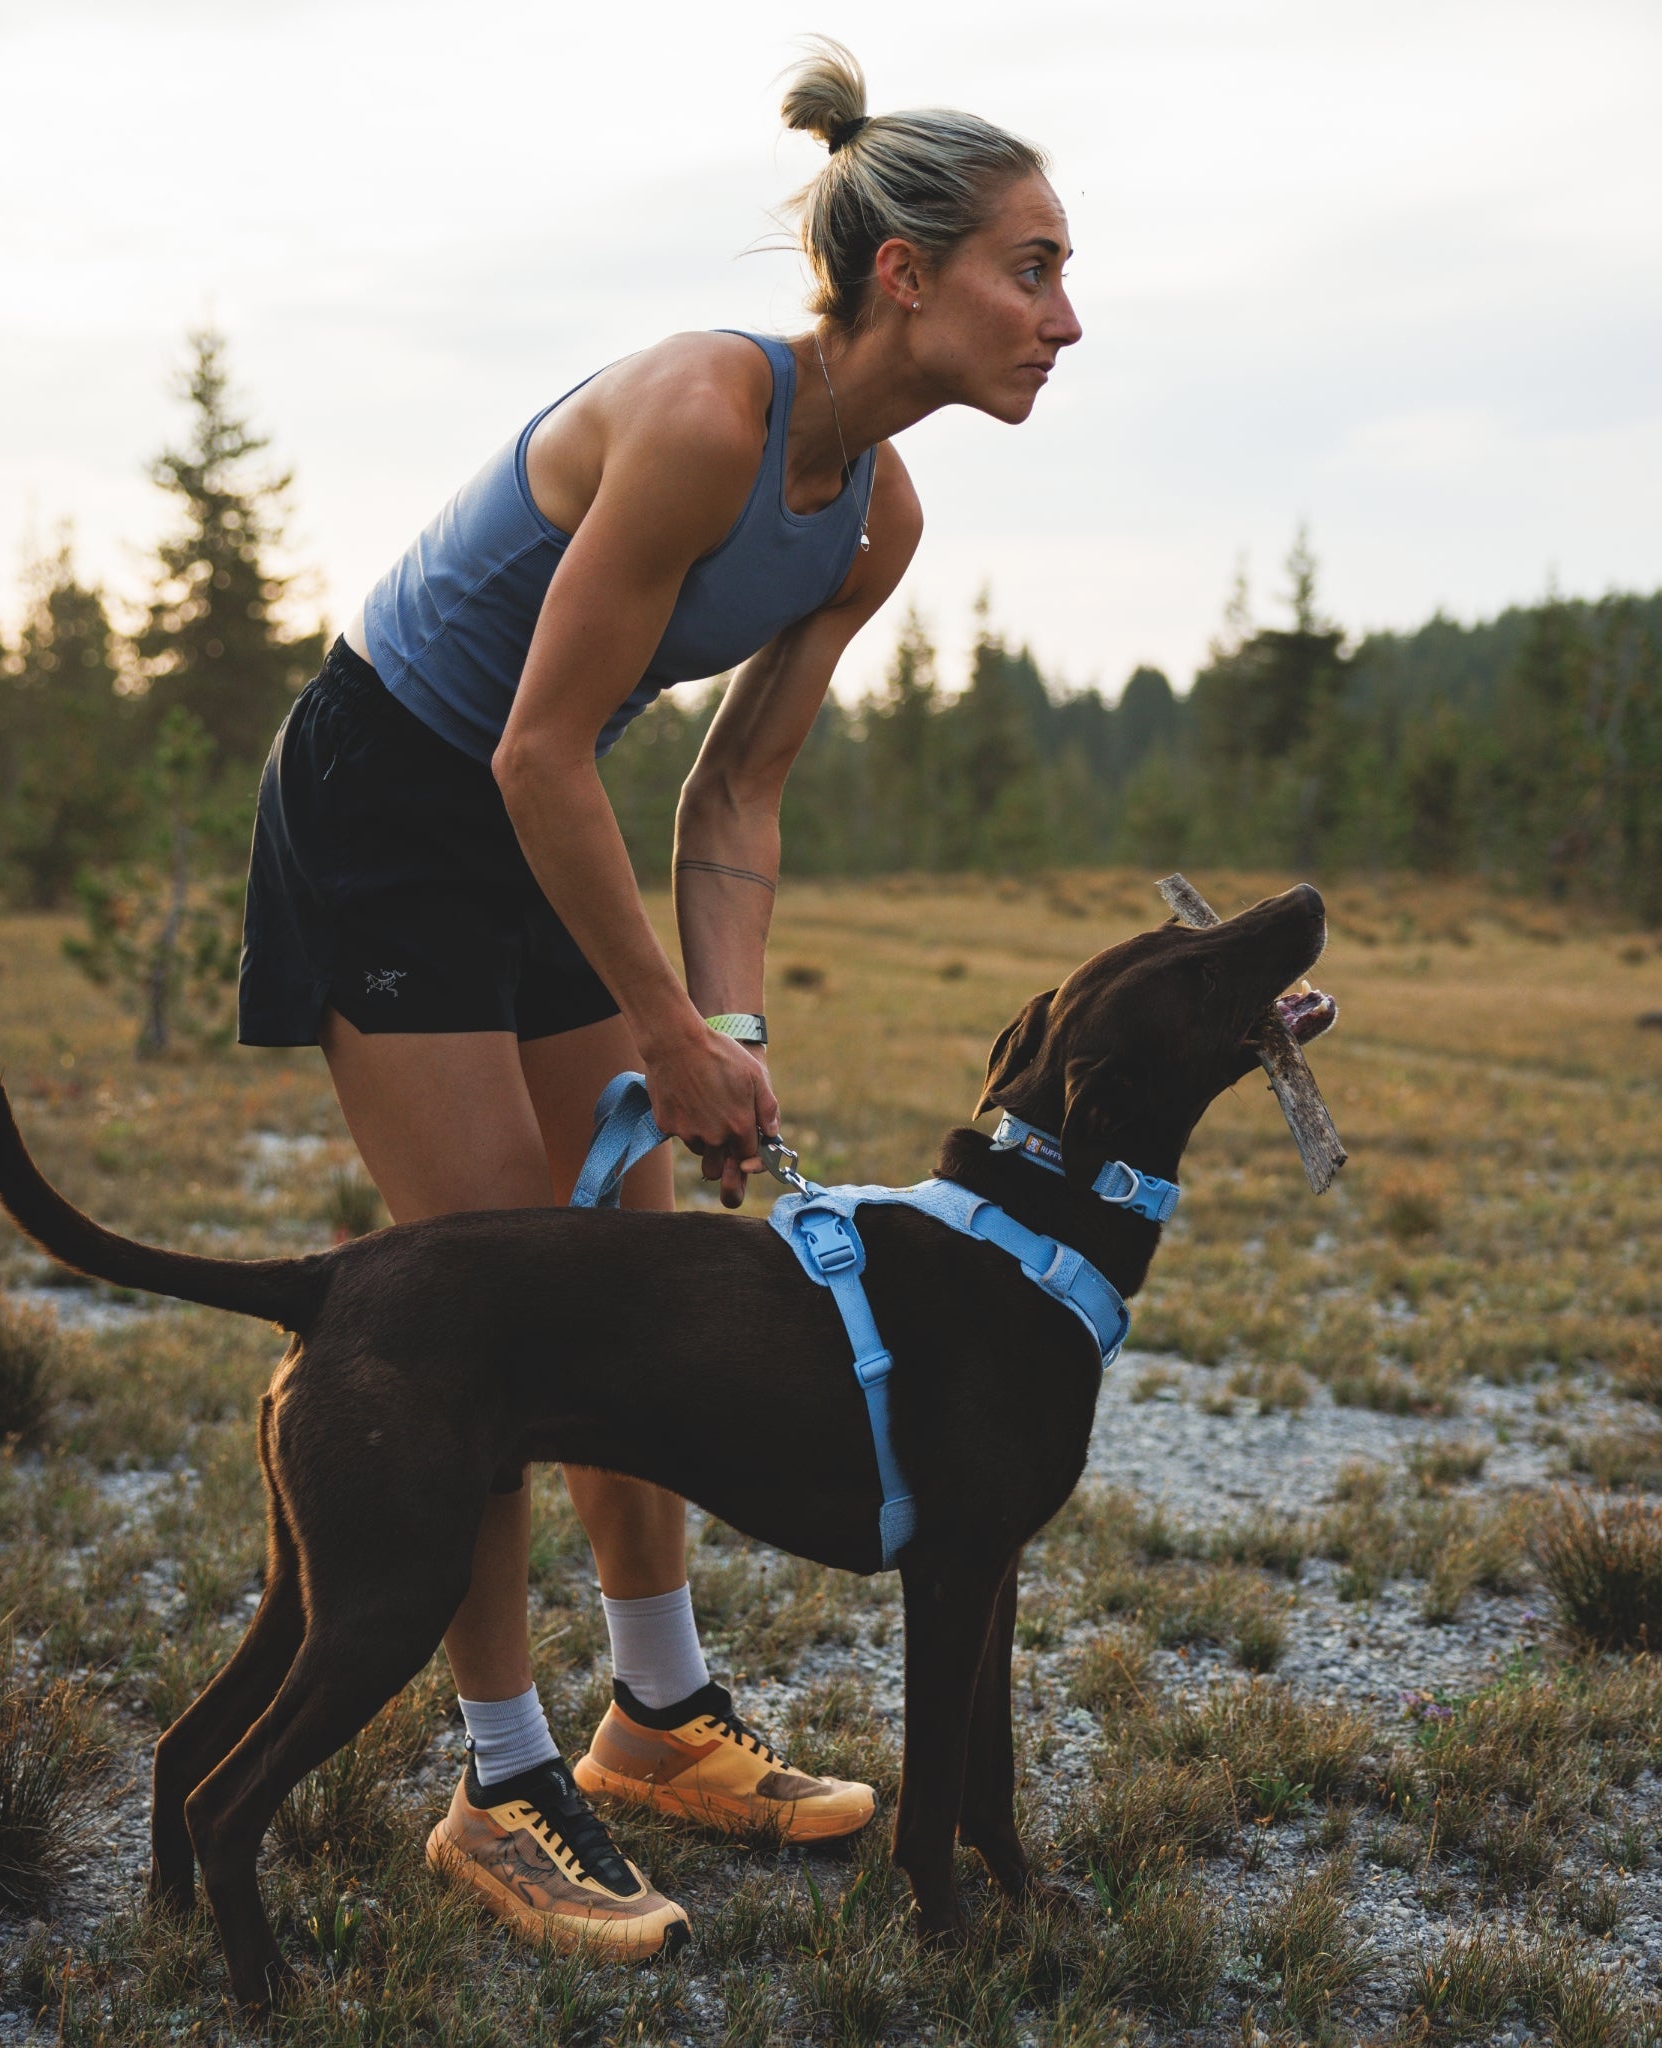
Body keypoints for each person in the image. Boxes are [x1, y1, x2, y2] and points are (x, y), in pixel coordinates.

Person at [235, 37, 1081, 1957]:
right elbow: (539, 747)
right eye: (1031, 269)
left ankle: (658, 1717)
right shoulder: (708, 408)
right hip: (398, 793)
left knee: (622, 1270)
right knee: (470, 1300)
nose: (1065, 316)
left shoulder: (875, 518)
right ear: (903, 275)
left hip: (545, 807)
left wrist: (735, 1032)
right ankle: (501, 1777)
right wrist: (668, 1032)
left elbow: (737, 793)